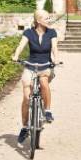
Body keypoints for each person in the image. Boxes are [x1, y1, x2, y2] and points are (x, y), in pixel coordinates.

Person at [11, 9, 59, 143]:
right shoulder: (28, 32)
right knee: (26, 97)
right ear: (38, 20)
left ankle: (48, 111)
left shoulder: (52, 32)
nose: (49, 20)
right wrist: (16, 56)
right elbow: (21, 46)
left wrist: (56, 59)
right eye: (46, 18)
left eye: (49, 18)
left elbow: (55, 48)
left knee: (44, 82)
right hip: (30, 65)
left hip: (45, 66)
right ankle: (25, 127)